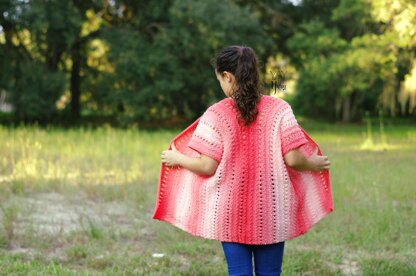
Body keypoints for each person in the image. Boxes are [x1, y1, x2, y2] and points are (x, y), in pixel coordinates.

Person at [154, 45, 334, 276]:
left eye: (219, 79)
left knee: (238, 273)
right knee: (270, 273)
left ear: (227, 76)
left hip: (230, 214)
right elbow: (294, 158)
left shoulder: (216, 114)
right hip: (272, 211)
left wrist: (177, 158)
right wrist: (314, 163)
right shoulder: (280, 109)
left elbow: (206, 166)